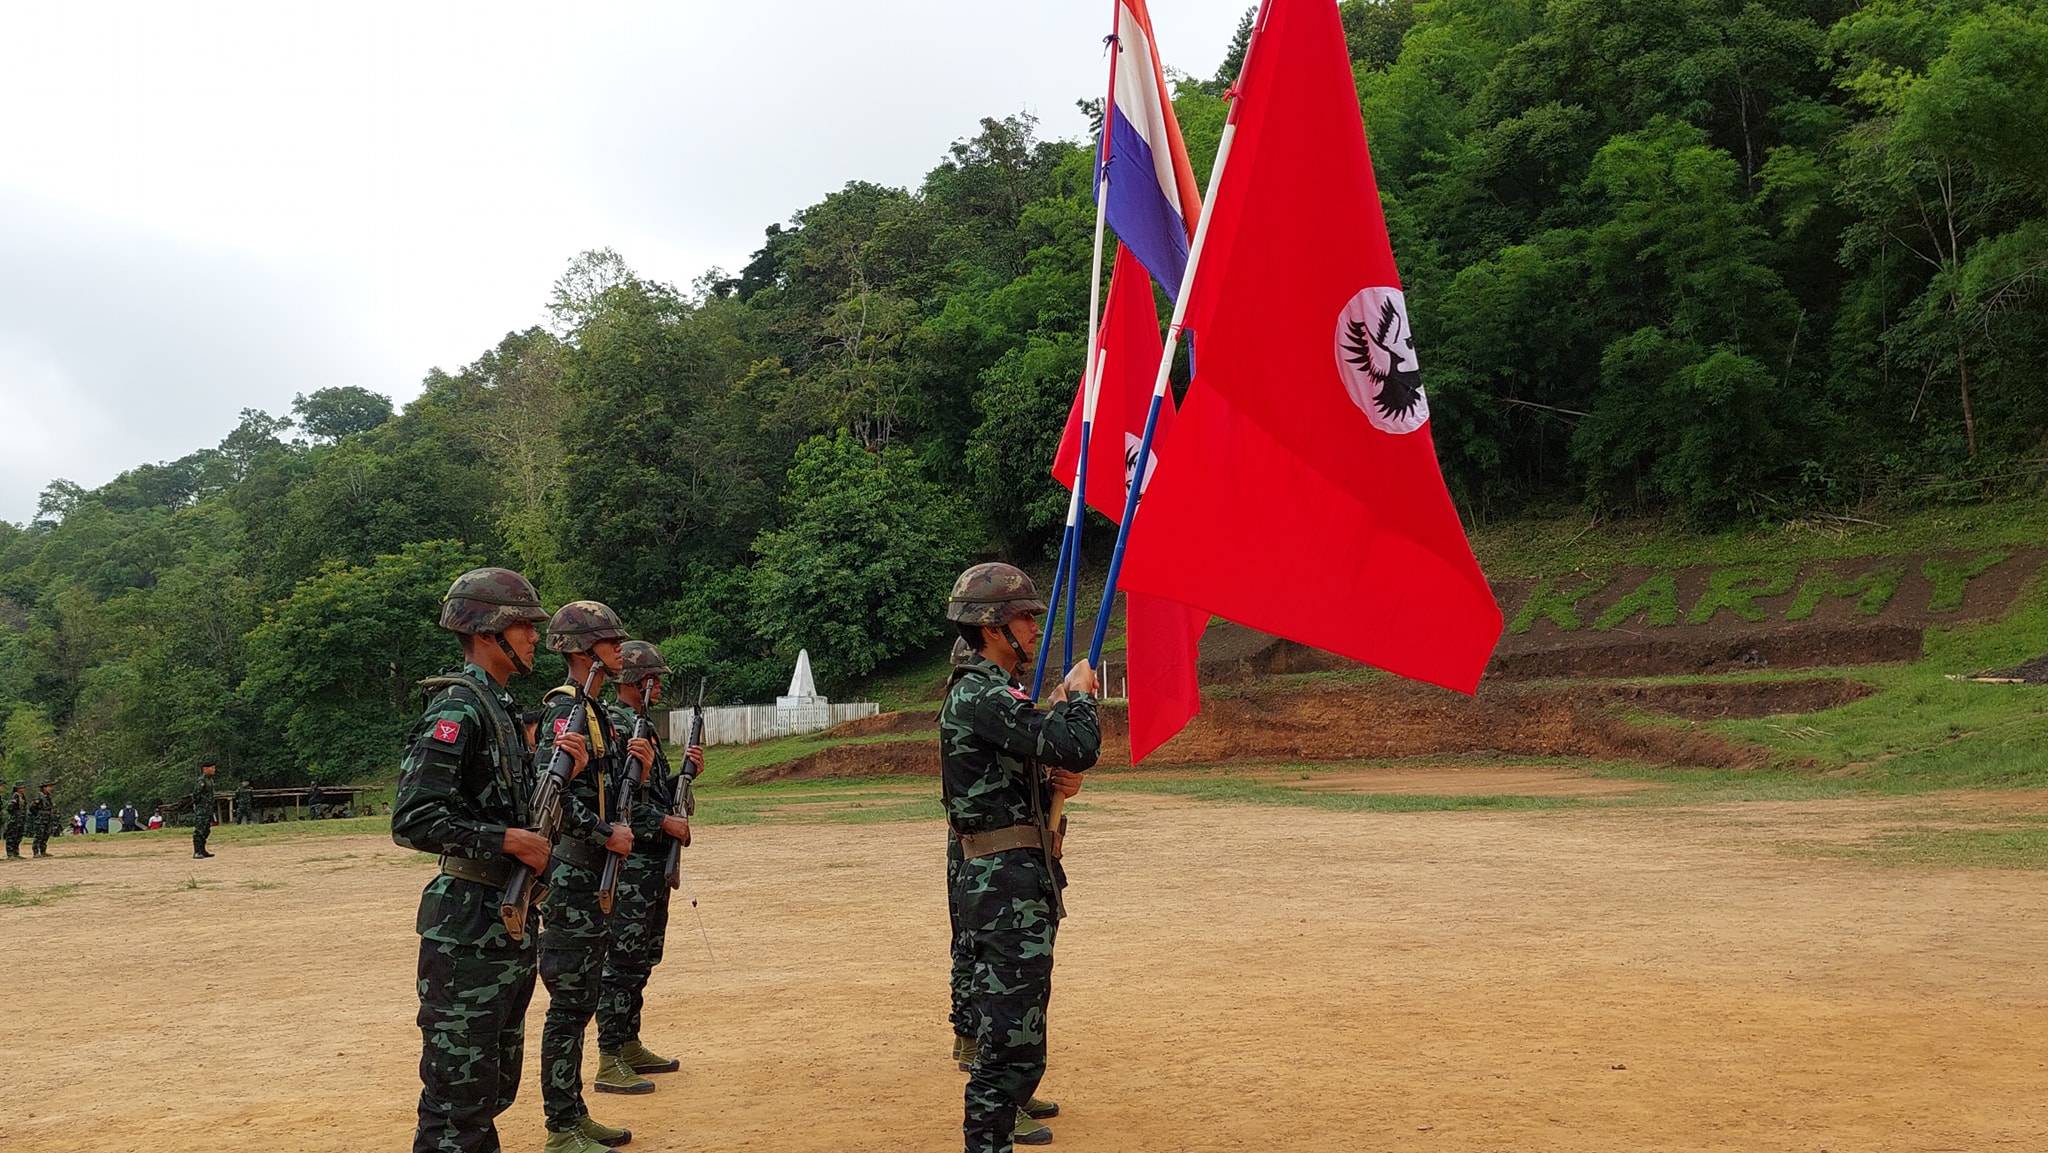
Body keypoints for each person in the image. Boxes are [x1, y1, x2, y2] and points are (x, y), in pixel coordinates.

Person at [391, 566, 570, 1153]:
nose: (535, 638)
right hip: (466, 931)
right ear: (490, 630)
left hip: (505, 923)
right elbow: (414, 818)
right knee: (456, 1099)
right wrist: (506, 841)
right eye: (525, 627)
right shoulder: (459, 709)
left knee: (490, 1089)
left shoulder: (501, 708)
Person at [942, 562, 1098, 1153]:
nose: (1035, 627)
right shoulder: (982, 695)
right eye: (1024, 617)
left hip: (1016, 881)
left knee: (1020, 1032)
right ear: (991, 628)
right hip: (1003, 888)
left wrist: (1055, 781)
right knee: (1008, 1042)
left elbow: (1041, 765)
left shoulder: (994, 696)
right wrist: (1079, 701)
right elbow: (1078, 744)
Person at [533, 600, 638, 1153]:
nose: (620, 649)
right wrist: (604, 834)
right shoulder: (563, 710)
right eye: (608, 640)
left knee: (583, 997)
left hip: (593, 871)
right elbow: (552, 797)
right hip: (573, 871)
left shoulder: (595, 712)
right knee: (569, 1001)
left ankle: (573, 1112)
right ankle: (560, 1125)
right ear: (579, 650)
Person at [594, 640, 703, 1095]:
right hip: (633, 865)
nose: (659, 689)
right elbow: (622, 806)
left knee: (643, 957)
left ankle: (629, 1041)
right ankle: (609, 1054)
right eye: (656, 681)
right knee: (621, 959)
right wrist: (666, 823)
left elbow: (652, 793)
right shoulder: (619, 727)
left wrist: (685, 776)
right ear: (643, 682)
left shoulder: (643, 729)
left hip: (650, 864)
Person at [29, 783, 57, 858]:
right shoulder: (39, 796)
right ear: (44, 788)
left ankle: (43, 851)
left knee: (46, 835)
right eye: (49, 787)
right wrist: (38, 815)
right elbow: (32, 808)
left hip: (48, 819)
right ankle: (35, 852)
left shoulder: (48, 797)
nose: (51, 788)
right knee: (39, 835)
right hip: (41, 819)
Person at [4, 783, 26, 858]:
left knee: (18, 836)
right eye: (21, 787)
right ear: (17, 788)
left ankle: (16, 853)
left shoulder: (22, 796)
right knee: (12, 836)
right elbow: (9, 808)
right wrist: (14, 814)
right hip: (15, 819)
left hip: (20, 819)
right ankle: (10, 854)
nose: (23, 789)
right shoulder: (15, 796)